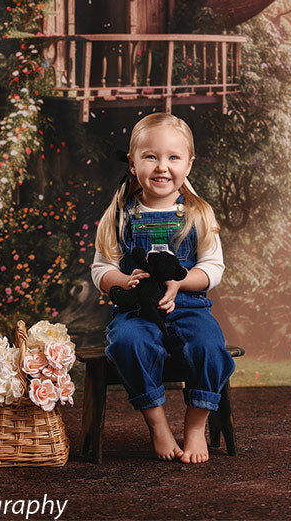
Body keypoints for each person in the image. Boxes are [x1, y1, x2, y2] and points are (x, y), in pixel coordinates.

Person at [91, 112, 235, 463]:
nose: (162, 167)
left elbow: (212, 268)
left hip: (188, 308)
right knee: (128, 342)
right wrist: (123, 280)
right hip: (137, 310)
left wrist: (181, 281)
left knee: (209, 346)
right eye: (151, 156)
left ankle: (196, 426)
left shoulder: (198, 214)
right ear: (133, 162)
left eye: (173, 157)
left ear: (189, 163)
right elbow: (101, 269)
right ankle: (157, 424)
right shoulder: (120, 216)